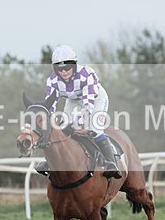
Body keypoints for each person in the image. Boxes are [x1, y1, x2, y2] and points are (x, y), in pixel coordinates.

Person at [34, 45, 122, 179]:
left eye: (67, 68)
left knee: (95, 129)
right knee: (61, 129)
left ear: (74, 65)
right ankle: (49, 162)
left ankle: (111, 163)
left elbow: (88, 107)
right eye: (60, 69)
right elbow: (50, 105)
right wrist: (49, 120)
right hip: (73, 100)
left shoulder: (87, 74)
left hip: (95, 99)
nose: (64, 72)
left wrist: (76, 124)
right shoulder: (52, 80)